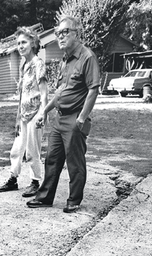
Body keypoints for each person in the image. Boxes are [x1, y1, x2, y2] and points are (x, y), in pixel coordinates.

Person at [27, 15, 100, 212]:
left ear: (77, 34)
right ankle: (45, 198)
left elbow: (93, 89)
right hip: (59, 119)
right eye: (58, 33)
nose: (60, 36)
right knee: (52, 159)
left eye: (65, 32)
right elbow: (59, 93)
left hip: (75, 118)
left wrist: (82, 118)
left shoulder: (87, 57)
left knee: (75, 162)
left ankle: (74, 200)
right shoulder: (64, 60)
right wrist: (44, 111)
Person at [0, 27, 48, 198]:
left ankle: (35, 182)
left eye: (24, 42)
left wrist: (43, 113)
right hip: (24, 115)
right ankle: (13, 178)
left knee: (33, 150)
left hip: (35, 113)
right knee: (17, 149)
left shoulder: (38, 63)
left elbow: (44, 92)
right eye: (18, 43)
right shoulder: (24, 65)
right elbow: (22, 94)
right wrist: (18, 117)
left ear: (33, 43)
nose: (20, 46)